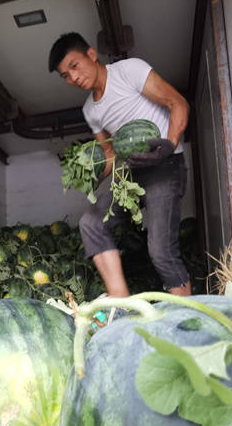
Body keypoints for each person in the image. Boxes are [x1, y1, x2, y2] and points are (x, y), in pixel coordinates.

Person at [48, 32, 191, 297]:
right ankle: (120, 300)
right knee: (90, 223)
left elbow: (177, 103)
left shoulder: (128, 71)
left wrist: (169, 144)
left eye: (74, 66)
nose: (73, 78)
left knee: (160, 251)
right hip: (130, 178)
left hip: (165, 166)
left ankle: (184, 321)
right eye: (65, 75)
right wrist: (88, 178)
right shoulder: (90, 111)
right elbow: (110, 154)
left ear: (91, 55)